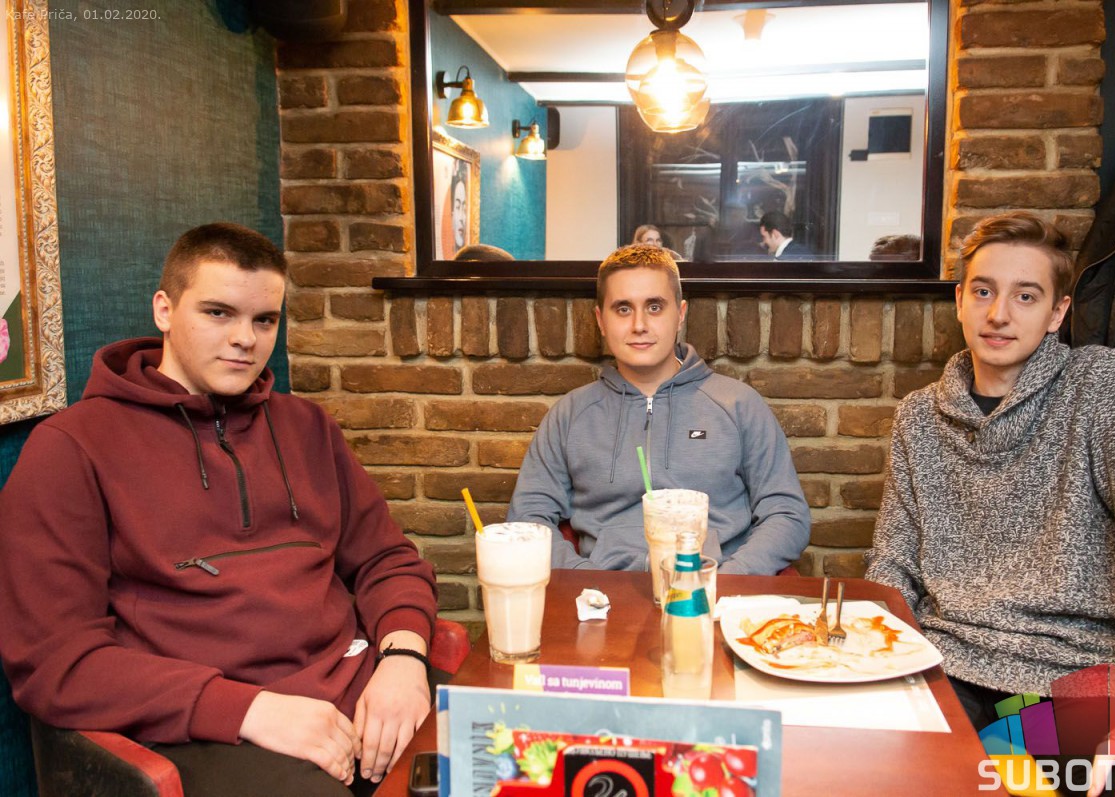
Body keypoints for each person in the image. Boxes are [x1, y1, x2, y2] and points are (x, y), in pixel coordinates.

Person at [0, 223, 438, 797]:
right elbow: (56, 661)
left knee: (513, 759)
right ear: (164, 309)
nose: (245, 339)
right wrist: (247, 709)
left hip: (361, 691)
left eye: (265, 320)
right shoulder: (71, 448)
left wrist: (404, 658)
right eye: (218, 313)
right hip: (210, 729)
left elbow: (388, 560)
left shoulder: (307, 426)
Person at [865, 212, 1115, 795]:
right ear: (960, 301)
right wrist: (877, 667)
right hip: (949, 662)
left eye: (1026, 296)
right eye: (983, 291)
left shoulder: (1102, 384)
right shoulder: (919, 416)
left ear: (1057, 312)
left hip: (1082, 672)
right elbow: (893, 565)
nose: (999, 314)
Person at [506, 244, 810, 574]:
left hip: (716, 588)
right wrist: (585, 580)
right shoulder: (570, 414)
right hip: (604, 593)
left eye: (654, 307)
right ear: (601, 320)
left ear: (680, 314)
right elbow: (528, 516)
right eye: (623, 309)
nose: (639, 324)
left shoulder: (738, 405)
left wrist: (731, 579)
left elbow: (786, 513)